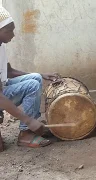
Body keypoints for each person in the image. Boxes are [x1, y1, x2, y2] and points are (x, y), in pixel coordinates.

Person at [0, 6, 59, 149]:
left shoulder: (1, 45)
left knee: (35, 78)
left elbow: (8, 71)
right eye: (9, 31)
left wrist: (41, 75)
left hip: (3, 88)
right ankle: (26, 133)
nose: (13, 35)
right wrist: (28, 120)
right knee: (32, 85)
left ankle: (28, 131)